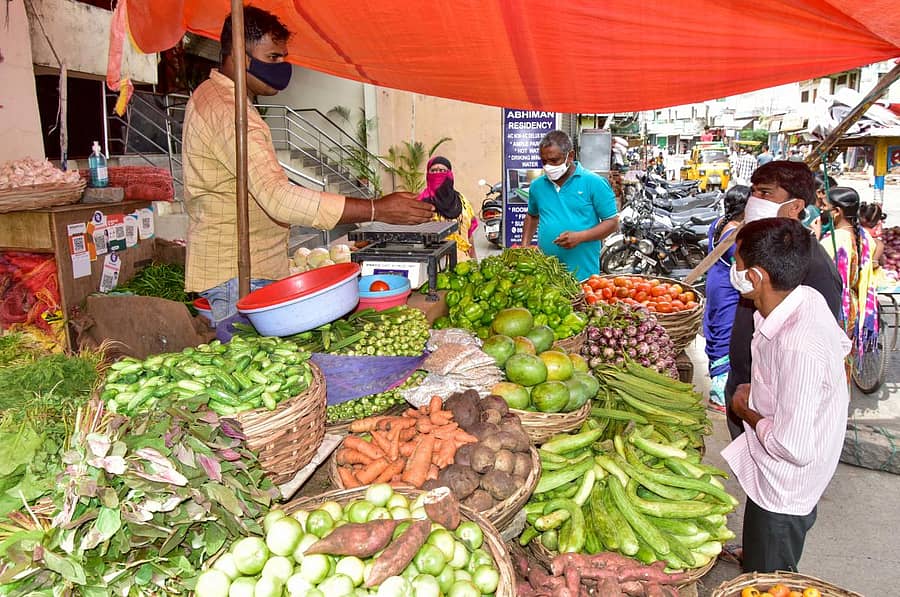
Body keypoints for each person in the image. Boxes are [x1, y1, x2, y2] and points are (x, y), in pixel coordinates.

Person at [182, 7, 433, 325]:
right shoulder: (229, 112)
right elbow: (278, 199)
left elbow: (267, 188)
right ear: (239, 55)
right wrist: (375, 210)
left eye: (284, 57)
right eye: (273, 58)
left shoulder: (219, 99)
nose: (283, 67)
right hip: (239, 277)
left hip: (249, 269)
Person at [722, 217, 850, 574]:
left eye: (738, 262)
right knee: (761, 556)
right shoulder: (803, 298)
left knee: (769, 576)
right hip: (772, 472)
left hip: (785, 490)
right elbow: (841, 347)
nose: (734, 270)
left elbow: (793, 446)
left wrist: (747, 411)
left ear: (757, 277)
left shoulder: (798, 346)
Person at [725, 161, 842, 440]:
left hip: (772, 411)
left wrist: (756, 410)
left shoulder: (816, 269)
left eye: (765, 194)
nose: (754, 201)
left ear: (795, 206)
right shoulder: (760, 247)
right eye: (753, 193)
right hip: (744, 385)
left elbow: (816, 353)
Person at [521, 130, 619, 281]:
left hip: (583, 274)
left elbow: (612, 223)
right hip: (546, 274)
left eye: (554, 160)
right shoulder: (537, 186)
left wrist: (581, 237)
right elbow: (532, 216)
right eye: (544, 161)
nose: (548, 166)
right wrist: (524, 246)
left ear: (570, 156)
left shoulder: (594, 183)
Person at [702, 185, 750, 413]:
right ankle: (719, 395)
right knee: (726, 335)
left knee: (716, 328)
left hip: (715, 282)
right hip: (729, 288)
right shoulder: (736, 232)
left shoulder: (718, 223)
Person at [820, 187, 880, 354]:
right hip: (854, 306)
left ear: (837, 211)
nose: (821, 209)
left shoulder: (833, 241)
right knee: (845, 363)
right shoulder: (864, 236)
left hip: (836, 309)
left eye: (824, 206)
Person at [419, 156, 477, 261]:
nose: (438, 173)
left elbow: (469, 235)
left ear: (450, 174)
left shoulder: (462, 201)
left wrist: (474, 260)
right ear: (428, 174)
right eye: (433, 171)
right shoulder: (421, 202)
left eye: (442, 170)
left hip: (462, 265)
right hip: (434, 265)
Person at [858, 202, 885, 269]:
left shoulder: (850, 233)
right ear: (878, 223)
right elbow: (878, 264)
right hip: (866, 277)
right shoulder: (878, 244)